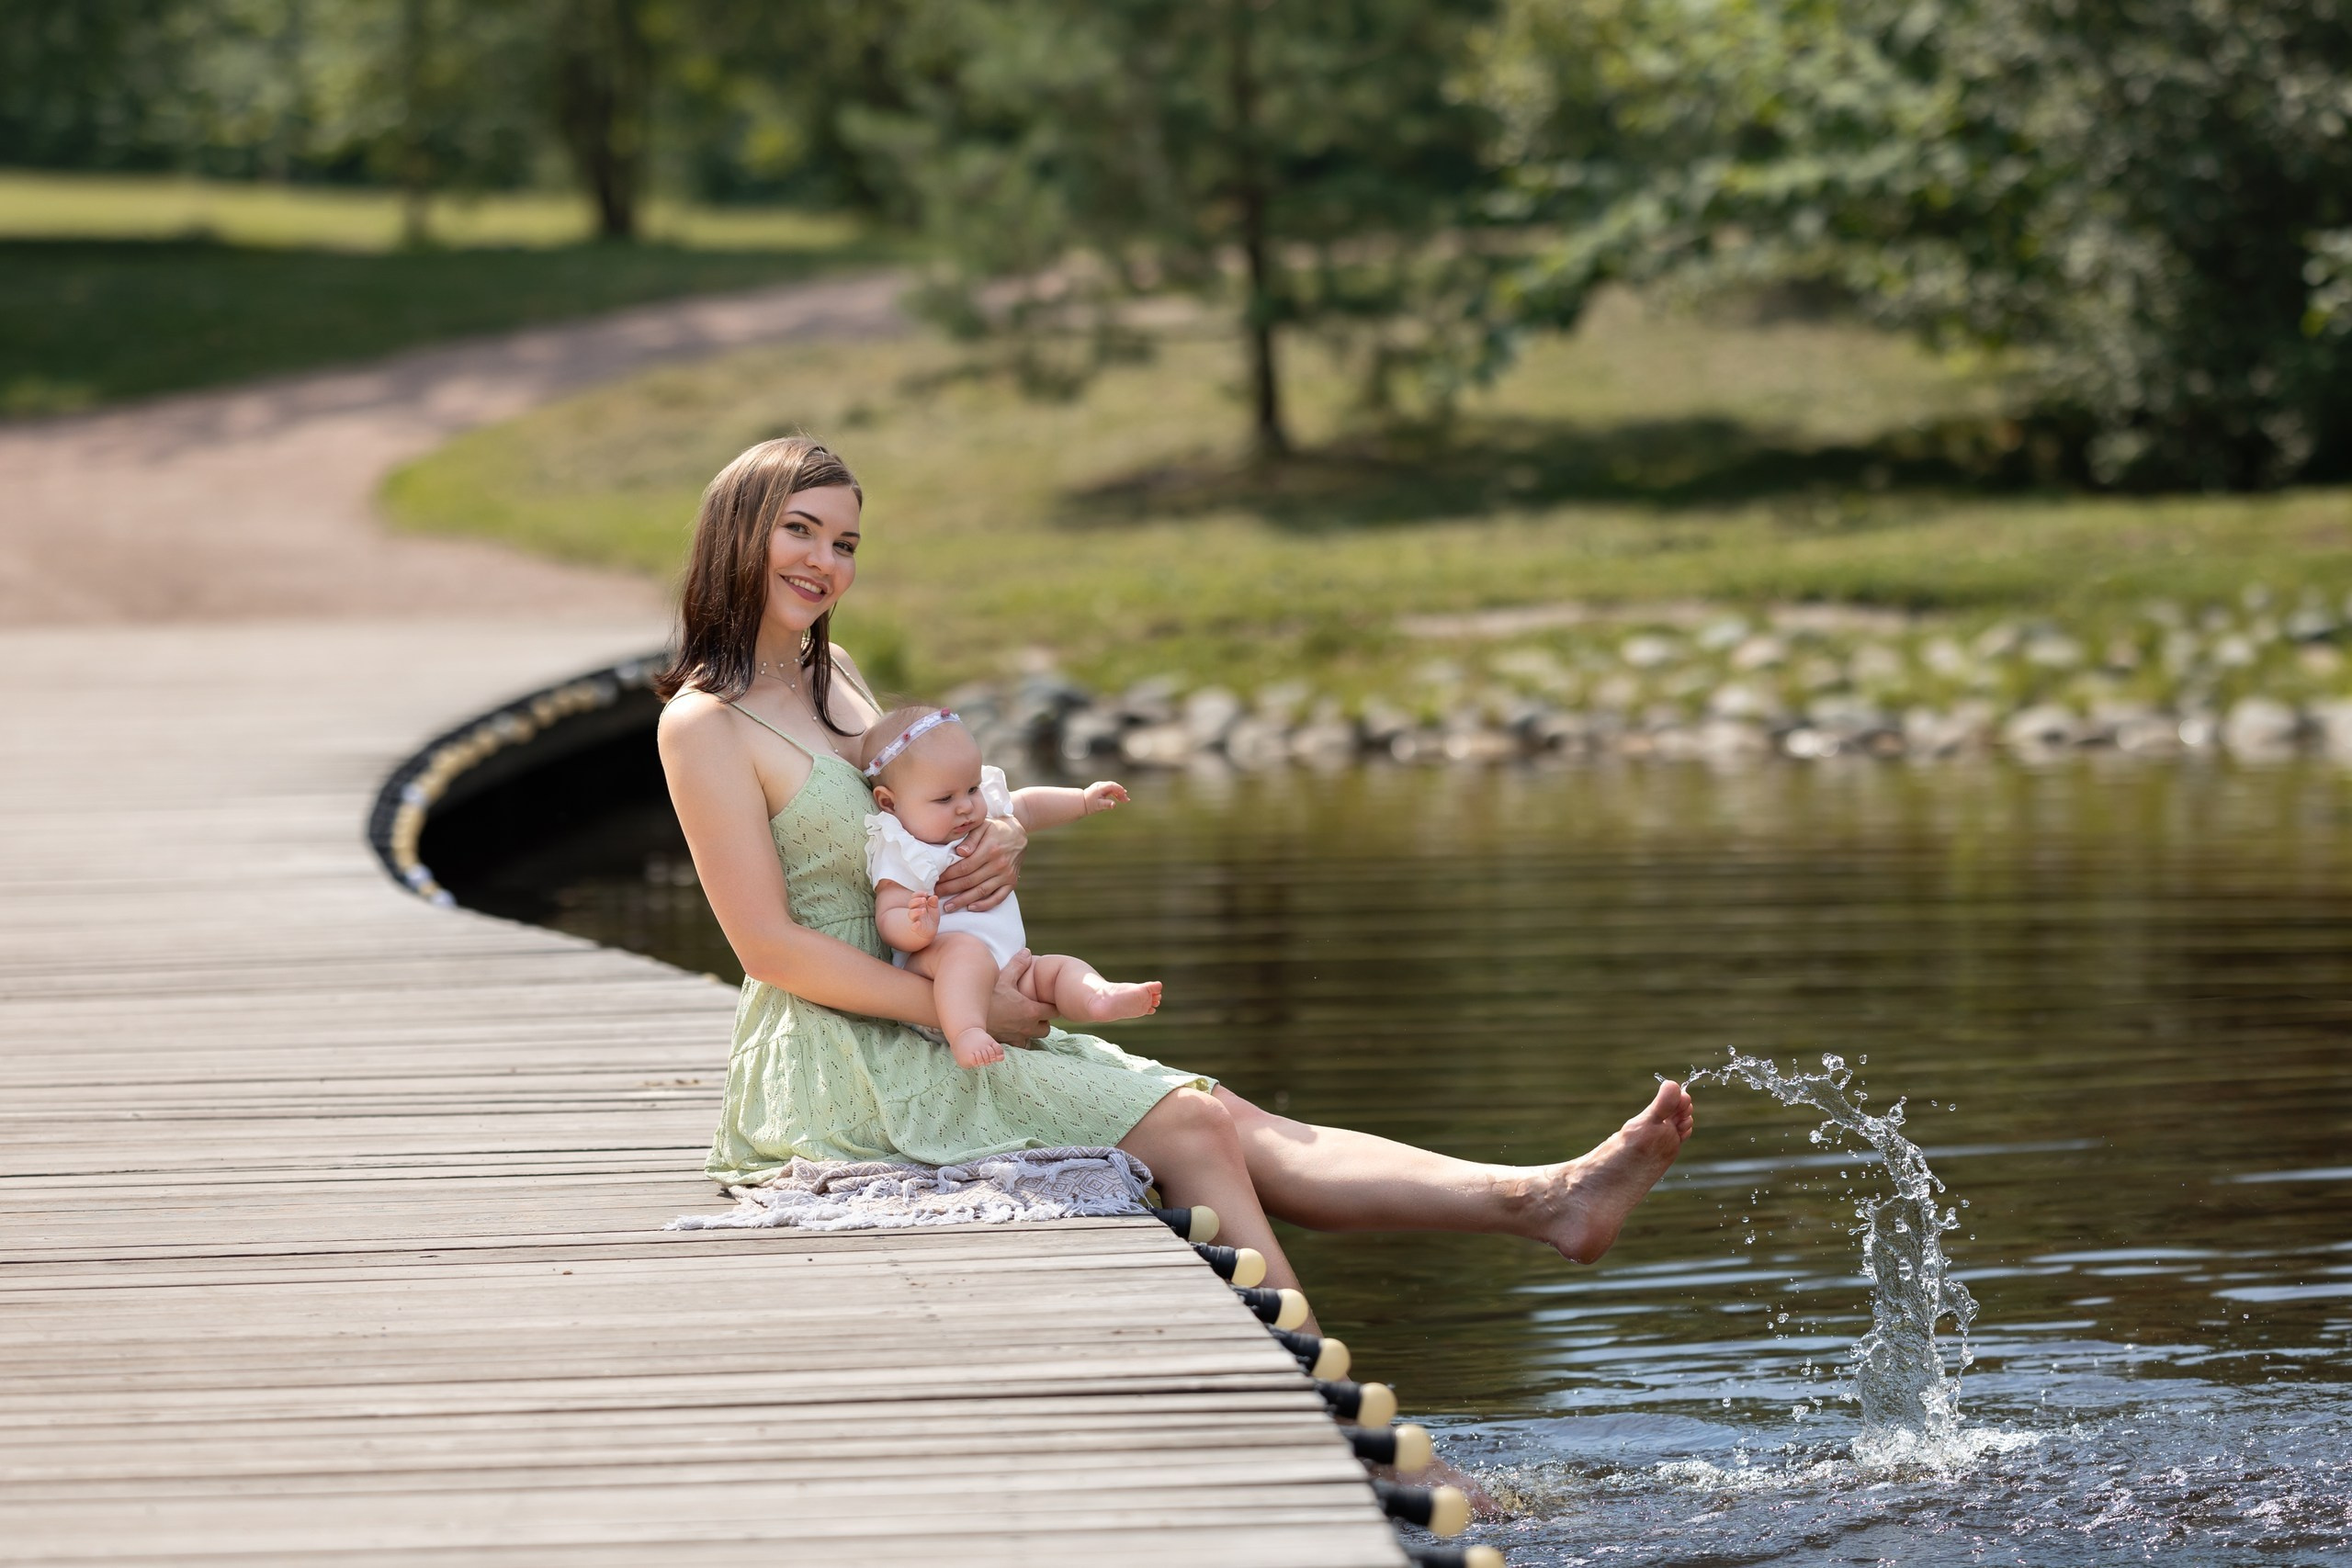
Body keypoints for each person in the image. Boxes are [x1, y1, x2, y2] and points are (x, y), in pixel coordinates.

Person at [655, 435, 1696, 1317]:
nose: (823, 560)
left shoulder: (835, 678)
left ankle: (1543, 1200)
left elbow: (918, 811)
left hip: (950, 1005)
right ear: (737, 531)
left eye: (843, 542)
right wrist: (950, 1008)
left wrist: (1004, 830)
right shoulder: (703, 724)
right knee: (1193, 1125)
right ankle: (1334, 1410)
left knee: (1226, 1112)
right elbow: (769, 947)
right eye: (799, 529)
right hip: (848, 1054)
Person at [859, 703, 1160, 1069]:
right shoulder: (903, 848)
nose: (966, 806)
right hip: (941, 980)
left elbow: (1029, 807)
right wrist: (915, 928)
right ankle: (967, 1032)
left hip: (1013, 968)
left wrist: (1082, 800)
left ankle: (1099, 997)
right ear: (890, 803)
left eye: (972, 788)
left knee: (1056, 970)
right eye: (944, 799)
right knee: (965, 953)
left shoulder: (979, 818)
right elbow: (889, 913)